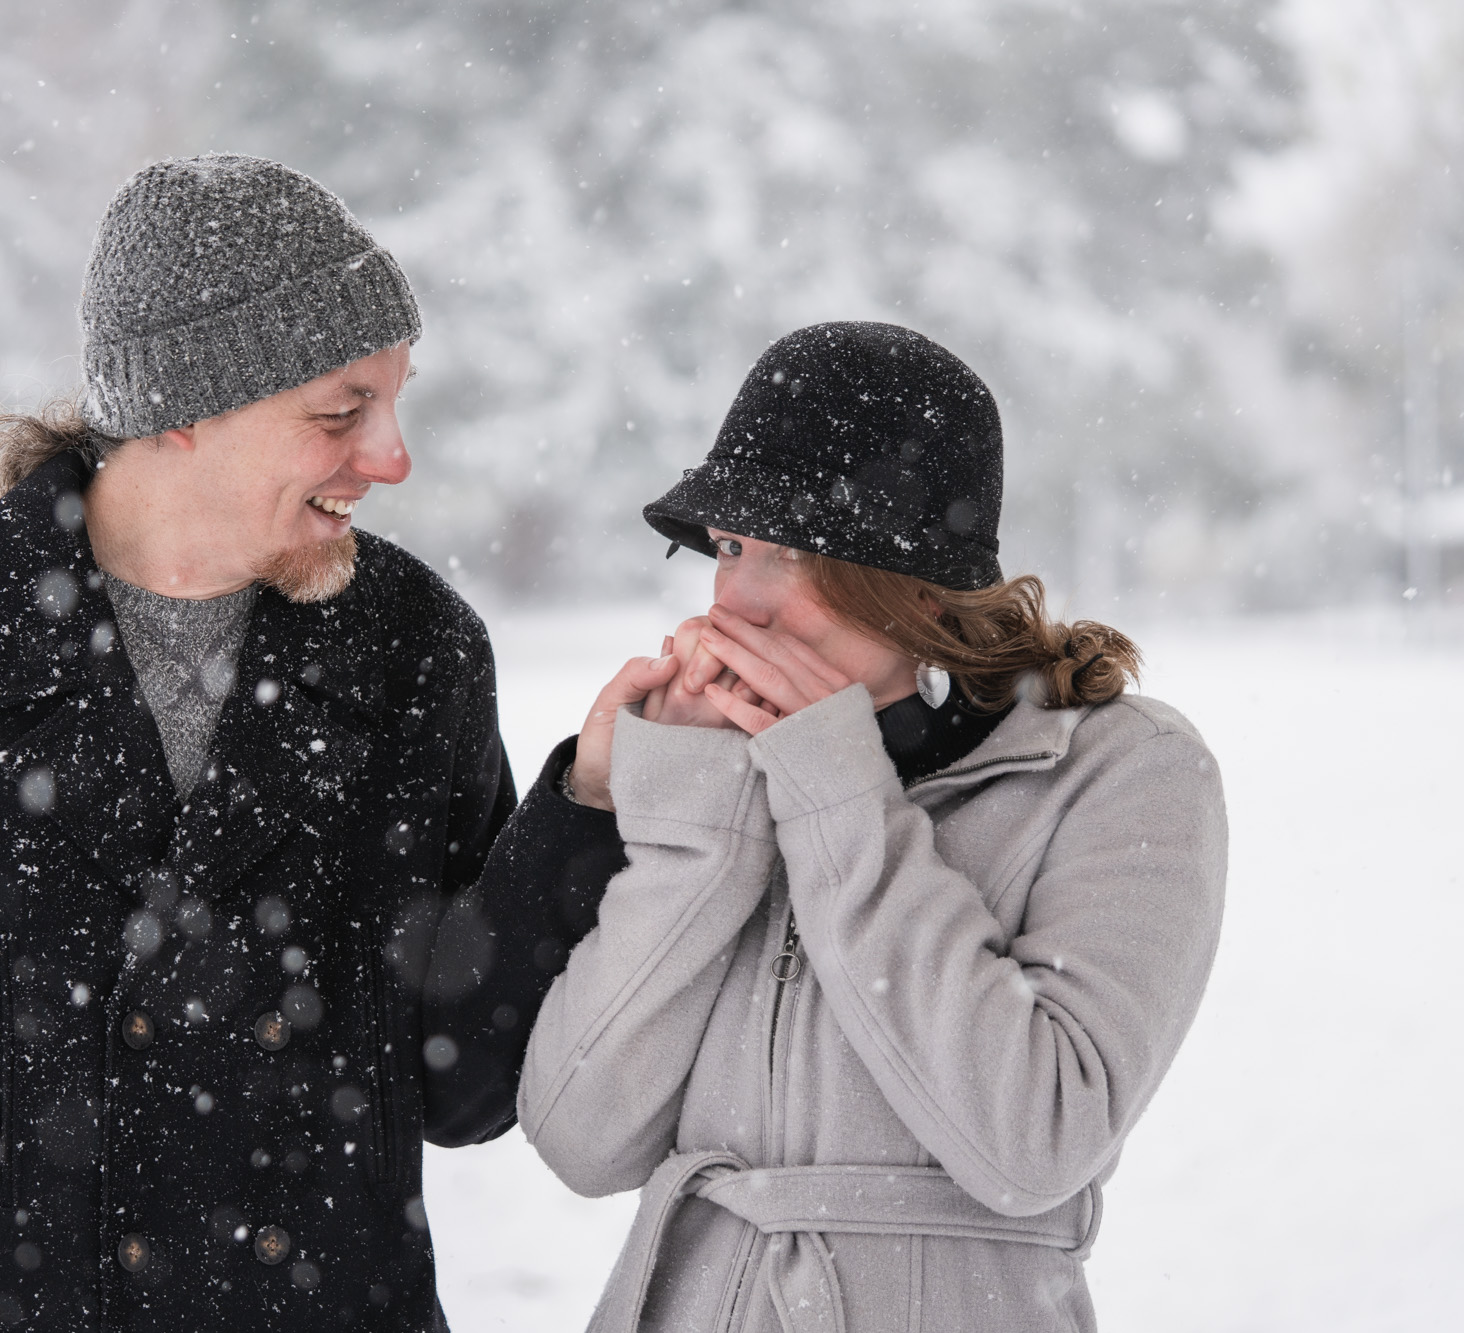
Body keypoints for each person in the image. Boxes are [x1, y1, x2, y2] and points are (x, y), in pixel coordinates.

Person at [0, 154, 626, 1333]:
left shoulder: (411, 649)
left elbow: (458, 1085)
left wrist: (582, 811)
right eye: (341, 413)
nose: (391, 457)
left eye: (396, 402)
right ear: (182, 410)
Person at [521, 322, 1228, 1333]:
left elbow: (1031, 1141)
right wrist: (698, 834)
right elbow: (579, 1138)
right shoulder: (733, 768)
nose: (735, 600)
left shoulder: (1121, 770)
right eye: (727, 547)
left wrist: (839, 797)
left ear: (908, 582)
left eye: (787, 552)